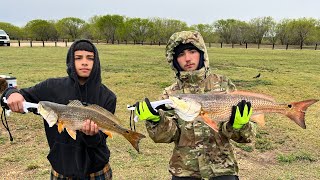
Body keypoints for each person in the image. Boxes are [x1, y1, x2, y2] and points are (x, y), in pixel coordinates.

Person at [135, 31, 255, 180]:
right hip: (185, 171)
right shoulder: (171, 94)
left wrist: (238, 125)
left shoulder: (223, 84)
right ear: (173, 60)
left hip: (222, 170)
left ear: (202, 53)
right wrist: (156, 121)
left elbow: (245, 138)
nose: (187, 58)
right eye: (180, 54)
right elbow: (170, 135)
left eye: (192, 51)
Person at [1, 40, 116, 179]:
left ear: (96, 62)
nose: (84, 62)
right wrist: (11, 94)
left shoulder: (108, 97)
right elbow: (22, 95)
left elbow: (101, 139)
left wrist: (91, 135)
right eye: (78, 58)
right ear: (70, 61)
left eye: (90, 58)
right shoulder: (50, 87)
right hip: (61, 169)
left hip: (96, 170)